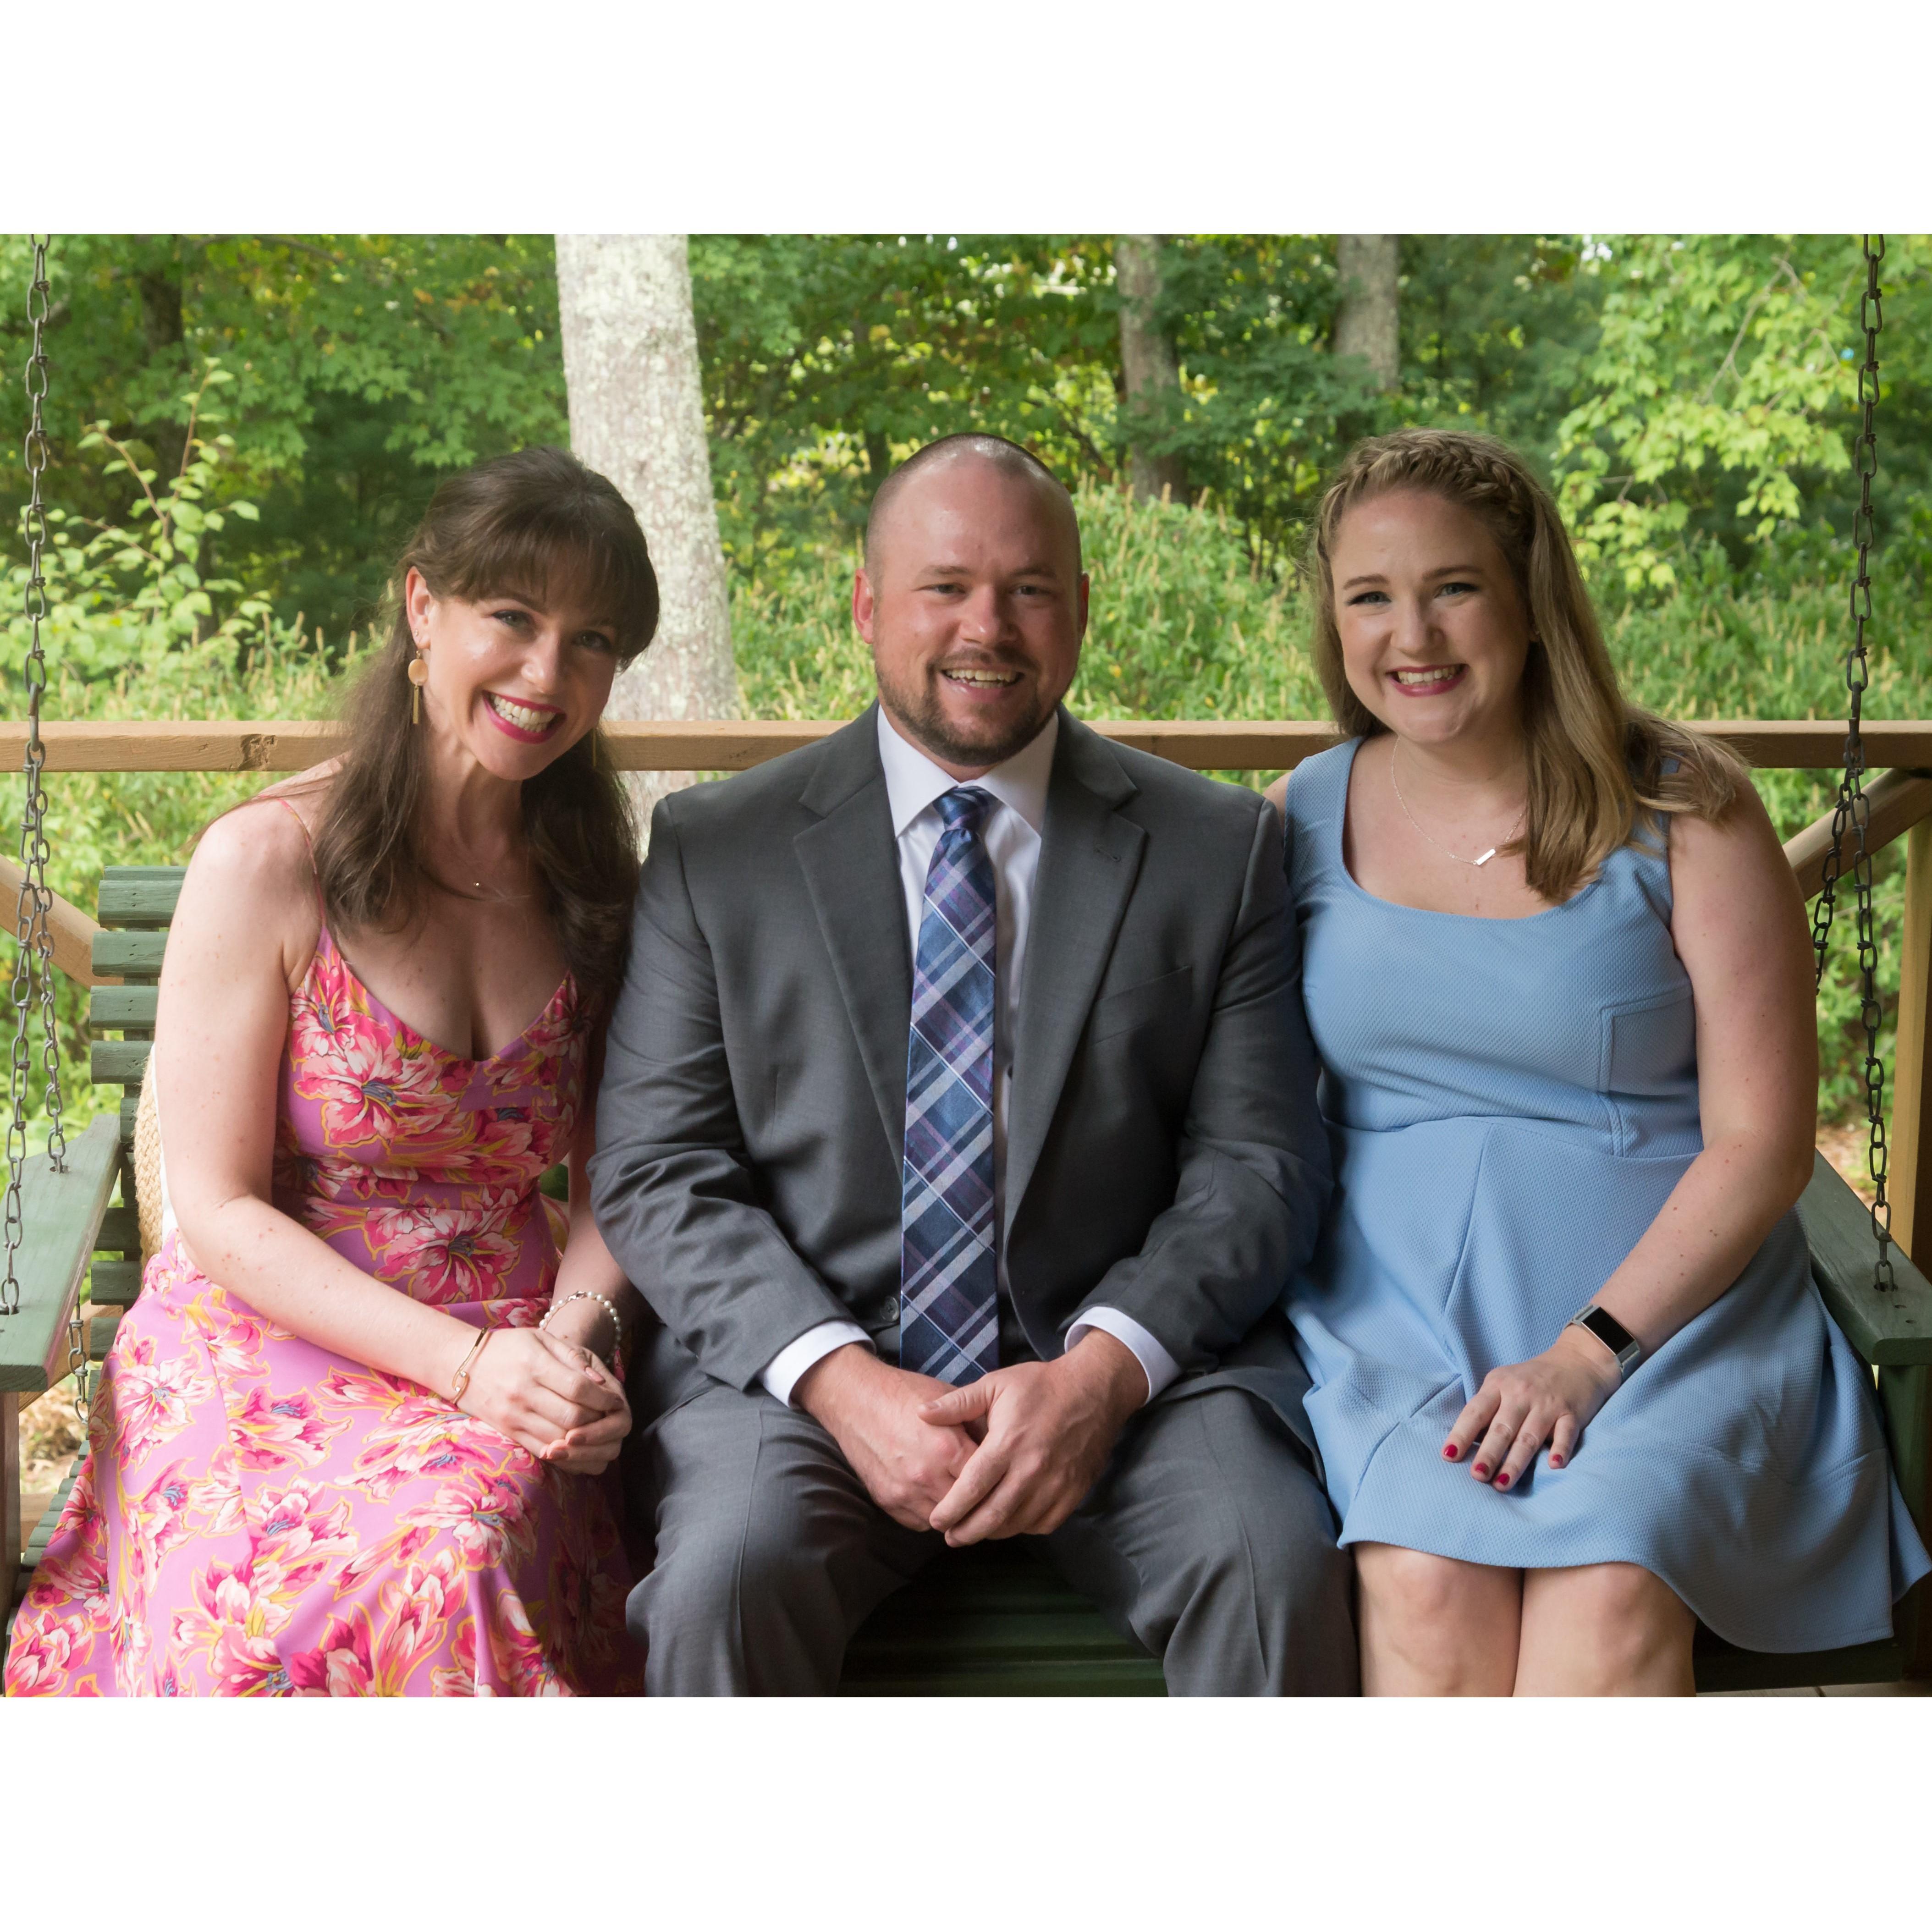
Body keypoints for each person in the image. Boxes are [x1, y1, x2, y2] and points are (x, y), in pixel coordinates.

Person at [590, 433, 1354, 1695]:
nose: (986, 627)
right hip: (810, 1379)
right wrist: (842, 1385)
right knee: (724, 1578)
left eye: (1028, 590)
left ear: (1081, 609)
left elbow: (1258, 1166)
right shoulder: (717, 850)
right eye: (944, 587)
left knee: (1270, 1566)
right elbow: (659, 1168)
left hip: (1127, 1381)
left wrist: (1102, 1376)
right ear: (867, 605)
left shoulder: (1217, 849)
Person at [1268, 427, 1932, 1695]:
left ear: (1532, 601)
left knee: (1612, 1583)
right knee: (1423, 1580)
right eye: (1370, 598)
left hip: (1666, 1316)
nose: (1413, 635)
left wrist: (1590, 1351)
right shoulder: (1303, 814)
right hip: (1393, 1312)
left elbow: (1763, 1145)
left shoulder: (1687, 808)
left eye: (1453, 587)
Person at [6, 447, 655, 1698]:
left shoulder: (595, 885)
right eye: (512, 618)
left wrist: (572, 1353)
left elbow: (623, 1169)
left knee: (458, 1551)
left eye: (592, 641)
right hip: (263, 1328)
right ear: (423, 607)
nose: (546, 674)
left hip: (512, 1336)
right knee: (275, 1600)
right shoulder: (268, 863)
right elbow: (216, 1206)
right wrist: (464, 1368)